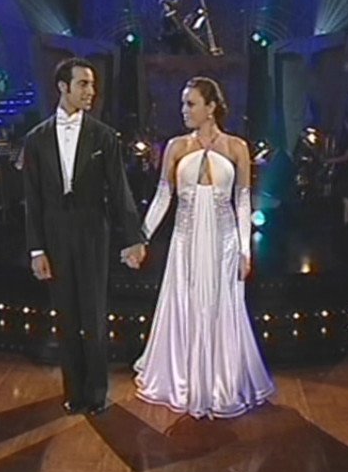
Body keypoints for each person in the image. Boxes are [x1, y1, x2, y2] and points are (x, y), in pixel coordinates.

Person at [126, 76, 276, 419]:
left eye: (190, 103)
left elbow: (242, 201)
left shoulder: (237, 147)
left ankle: (221, 384)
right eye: (183, 103)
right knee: (185, 306)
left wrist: (244, 251)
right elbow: (163, 196)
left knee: (220, 309)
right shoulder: (176, 147)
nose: (183, 110)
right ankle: (184, 382)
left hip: (223, 242)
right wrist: (141, 238)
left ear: (211, 108)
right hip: (186, 242)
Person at [23, 57, 146, 416]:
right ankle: (73, 392)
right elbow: (32, 199)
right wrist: (36, 250)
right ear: (63, 87)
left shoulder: (104, 136)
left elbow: (120, 190)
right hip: (54, 235)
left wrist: (133, 238)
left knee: (93, 315)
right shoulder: (36, 139)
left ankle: (95, 393)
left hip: (93, 232)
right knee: (66, 316)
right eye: (83, 84)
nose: (91, 91)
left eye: (92, 84)